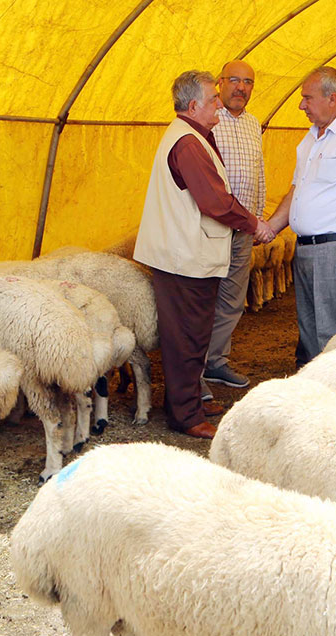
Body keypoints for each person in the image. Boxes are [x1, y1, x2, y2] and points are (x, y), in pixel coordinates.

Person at [133, 70, 274, 439]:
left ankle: (188, 399)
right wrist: (253, 223)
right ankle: (186, 415)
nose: (218, 104)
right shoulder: (188, 143)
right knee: (186, 337)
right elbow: (213, 200)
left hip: (188, 254)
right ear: (194, 105)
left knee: (192, 334)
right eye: (213, 99)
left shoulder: (193, 136)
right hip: (185, 257)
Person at [264, 67, 336, 368]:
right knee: (310, 333)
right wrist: (270, 229)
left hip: (335, 250)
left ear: (332, 98)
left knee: (334, 334)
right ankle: (318, 396)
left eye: (307, 98)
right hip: (307, 249)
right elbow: (297, 190)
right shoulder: (312, 138)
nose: (301, 105)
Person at [201, 60, 265, 394]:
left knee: (232, 298)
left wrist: (258, 216)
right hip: (212, 227)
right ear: (221, 83)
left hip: (243, 229)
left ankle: (216, 361)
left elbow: (259, 173)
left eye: (248, 82)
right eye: (235, 80)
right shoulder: (209, 120)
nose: (241, 88)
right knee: (204, 295)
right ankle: (194, 368)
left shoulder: (254, 124)